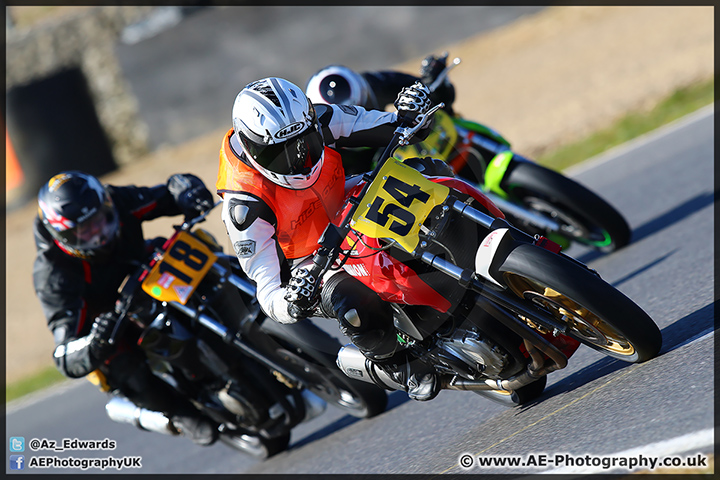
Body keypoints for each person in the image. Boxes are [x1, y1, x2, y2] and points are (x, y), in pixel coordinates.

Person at [216, 76, 453, 402]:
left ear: (311, 122)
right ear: (252, 146)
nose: (299, 161)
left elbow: (392, 125)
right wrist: (293, 301)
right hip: (310, 259)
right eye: (280, 156)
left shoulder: (323, 117)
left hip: (347, 202)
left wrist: (414, 113)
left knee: (432, 172)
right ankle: (399, 364)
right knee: (352, 300)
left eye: (306, 144)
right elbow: (267, 289)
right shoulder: (243, 206)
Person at [33, 170, 219, 445]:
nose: (98, 233)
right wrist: (95, 341)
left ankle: (258, 298)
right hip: (110, 317)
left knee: (199, 244)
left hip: (144, 272)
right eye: (85, 230)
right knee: (116, 364)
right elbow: (63, 354)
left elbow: (167, 192)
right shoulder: (52, 275)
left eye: (99, 219)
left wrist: (188, 190)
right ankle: (179, 412)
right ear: (64, 236)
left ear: (105, 203)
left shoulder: (116, 199)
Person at [304, 53, 456, 174]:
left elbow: (427, 93)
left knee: (436, 115)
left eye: (364, 107)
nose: (359, 118)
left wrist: (437, 81)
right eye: (346, 117)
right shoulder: (323, 153)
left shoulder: (374, 83)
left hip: (405, 135)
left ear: (366, 90)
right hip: (379, 176)